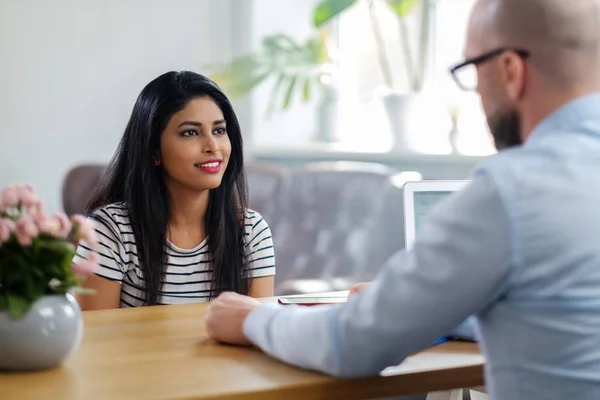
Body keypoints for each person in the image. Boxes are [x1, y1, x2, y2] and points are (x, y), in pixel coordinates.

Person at [204, 0, 600, 398]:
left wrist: (254, 320)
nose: (478, 91)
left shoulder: (511, 190)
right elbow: (558, 315)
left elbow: (352, 344)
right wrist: (431, 309)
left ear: (510, 71)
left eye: (472, 71)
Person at [74, 71, 275, 309]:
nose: (213, 146)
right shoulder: (109, 232)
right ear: (154, 150)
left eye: (219, 131)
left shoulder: (251, 232)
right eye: (190, 133)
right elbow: (96, 340)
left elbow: (258, 332)